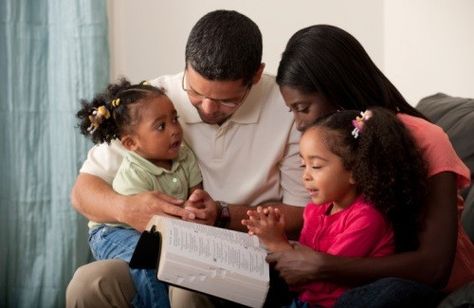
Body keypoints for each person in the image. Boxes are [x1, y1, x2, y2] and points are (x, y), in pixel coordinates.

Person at [66, 10, 308, 308]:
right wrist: (129, 209)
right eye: (195, 92)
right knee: (90, 284)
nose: (207, 108)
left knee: (187, 289)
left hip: (242, 253)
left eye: (226, 100)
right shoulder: (154, 102)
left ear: (256, 75)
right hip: (164, 246)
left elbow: (300, 215)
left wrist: (222, 214)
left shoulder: (286, 108)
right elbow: (83, 193)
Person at [268, 24, 473, 307]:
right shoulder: (332, 152)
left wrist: (322, 265)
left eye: (303, 109)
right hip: (356, 276)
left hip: (428, 287)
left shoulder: (426, 138)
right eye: (292, 111)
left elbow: (435, 268)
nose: (299, 123)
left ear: (337, 90)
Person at [243, 108, 430, 307]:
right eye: (302, 165)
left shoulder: (367, 218)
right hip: (304, 299)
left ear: (355, 172)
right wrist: (276, 235)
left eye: (315, 166)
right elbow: (304, 265)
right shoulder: (316, 209)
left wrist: (278, 245)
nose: (305, 176)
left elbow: (315, 279)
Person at [75, 79, 203, 307]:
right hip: (113, 232)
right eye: (161, 126)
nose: (174, 130)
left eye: (175, 119)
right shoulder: (134, 173)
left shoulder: (185, 156)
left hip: (151, 232)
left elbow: (196, 195)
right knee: (146, 263)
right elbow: (143, 221)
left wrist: (196, 205)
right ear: (132, 144)